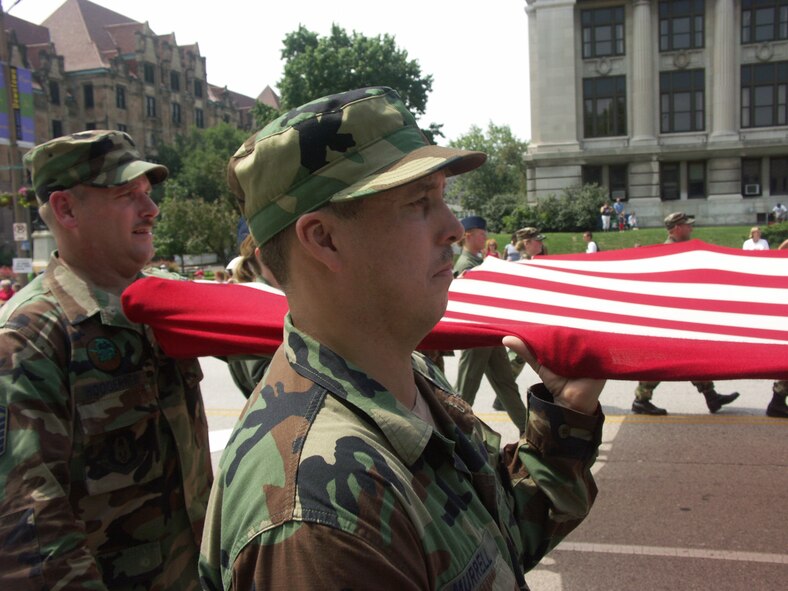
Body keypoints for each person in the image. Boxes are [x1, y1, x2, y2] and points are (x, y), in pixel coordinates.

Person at [198, 87, 605, 590]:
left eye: (443, 198)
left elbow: (494, 538)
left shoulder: (402, 372)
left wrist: (566, 417)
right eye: (418, 202)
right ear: (324, 238)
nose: (454, 228)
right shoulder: (321, 518)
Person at [0, 130, 212, 589]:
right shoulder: (30, 336)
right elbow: (29, 529)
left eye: (147, 193)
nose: (151, 209)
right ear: (66, 210)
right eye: (126, 194)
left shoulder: (165, 301)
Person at [632, 212, 740, 415]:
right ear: (676, 228)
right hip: (670, 317)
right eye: (687, 225)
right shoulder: (669, 253)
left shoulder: (681, 250)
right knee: (662, 359)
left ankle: (711, 396)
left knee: (693, 356)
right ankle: (641, 399)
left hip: (680, 315)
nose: (691, 228)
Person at [453, 215, 529, 432]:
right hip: (476, 336)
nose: (485, 237)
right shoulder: (466, 264)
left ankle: (528, 432)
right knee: (465, 392)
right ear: (468, 236)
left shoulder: (478, 262)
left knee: (506, 385)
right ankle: (454, 435)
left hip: (489, 335)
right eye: (481, 233)